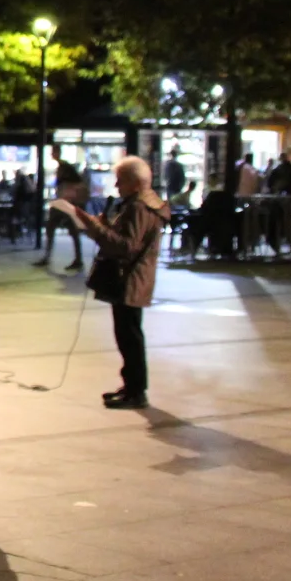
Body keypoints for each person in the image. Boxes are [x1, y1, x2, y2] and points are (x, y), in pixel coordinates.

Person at [64, 156, 169, 410]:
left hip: (130, 279)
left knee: (129, 336)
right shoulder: (144, 204)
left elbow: (126, 247)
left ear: (135, 182)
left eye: (120, 180)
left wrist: (93, 227)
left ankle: (136, 391)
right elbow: (129, 240)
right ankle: (132, 386)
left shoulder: (138, 208)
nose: (116, 186)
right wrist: (106, 226)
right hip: (133, 278)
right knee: (128, 335)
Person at [34, 159, 86, 271]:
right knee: (58, 229)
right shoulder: (68, 180)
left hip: (66, 204)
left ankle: (50, 256)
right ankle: (76, 259)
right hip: (64, 204)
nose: (57, 173)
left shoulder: (69, 179)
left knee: (67, 230)